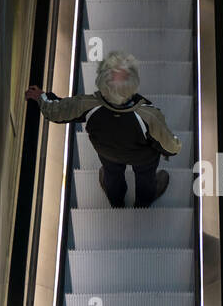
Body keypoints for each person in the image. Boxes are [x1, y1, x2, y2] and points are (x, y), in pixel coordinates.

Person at [26, 50, 181, 208]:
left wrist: (41, 97)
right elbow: (171, 146)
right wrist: (173, 147)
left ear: (101, 82)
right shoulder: (148, 115)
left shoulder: (87, 105)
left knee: (111, 173)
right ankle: (144, 201)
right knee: (146, 177)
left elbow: (56, 111)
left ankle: (116, 199)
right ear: (134, 85)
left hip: (108, 153)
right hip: (143, 158)